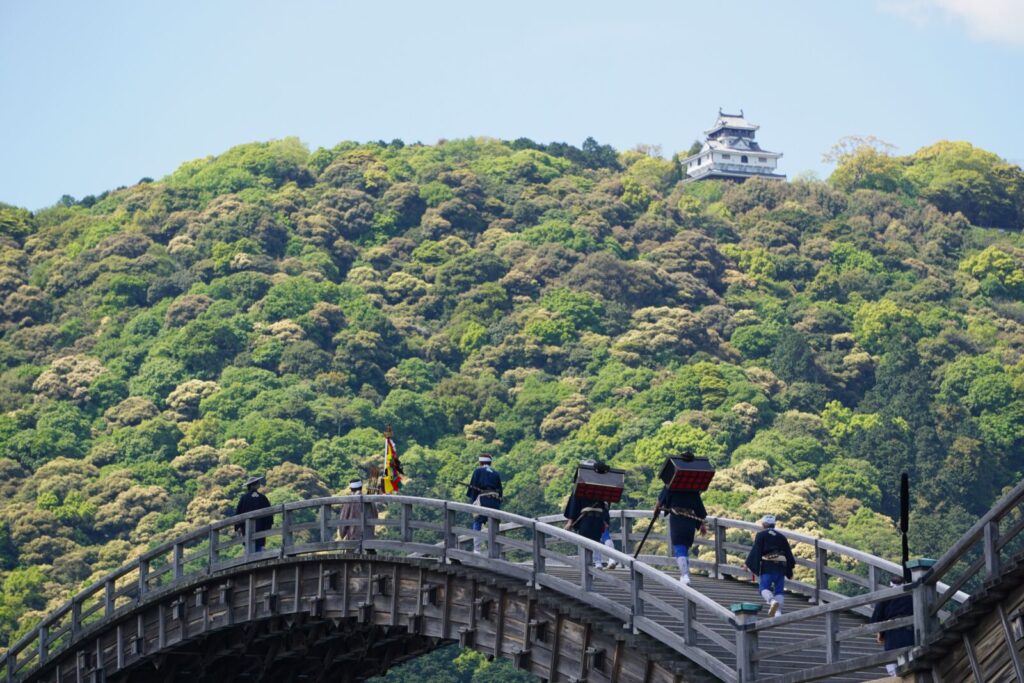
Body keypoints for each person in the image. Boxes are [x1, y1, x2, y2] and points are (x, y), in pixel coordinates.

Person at [657, 470, 708, 585]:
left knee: (679, 547)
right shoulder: (693, 488)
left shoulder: (671, 485)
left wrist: (656, 511)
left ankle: (685, 575)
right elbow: (700, 509)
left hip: (677, 520)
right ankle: (685, 574)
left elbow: (660, 502)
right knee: (684, 547)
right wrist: (701, 525)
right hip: (689, 521)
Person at [564, 461, 613, 569]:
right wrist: (605, 520)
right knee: (598, 540)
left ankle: (593, 568)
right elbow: (605, 505)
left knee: (587, 544)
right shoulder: (602, 485)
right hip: (599, 518)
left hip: (586, 519)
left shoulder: (581, 487)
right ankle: (599, 563)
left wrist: (570, 521)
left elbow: (574, 503)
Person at [745, 515, 796, 617]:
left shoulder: (761, 535)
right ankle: (778, 612)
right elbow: (788, 554)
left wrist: (748, 564)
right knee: (779, 591)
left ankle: (772, 601)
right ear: (774, 524)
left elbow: (756, 551)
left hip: (767, 567)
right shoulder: (782, 537)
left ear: (763, 524)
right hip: (780, 567)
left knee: (763, 588)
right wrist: (789, 569)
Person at [870, 576, 914, 676]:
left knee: (892, 666)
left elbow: (876, 620)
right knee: (909, 663)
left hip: (892, 635)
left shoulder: (886, 597)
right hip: (910, 635)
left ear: (890, 584)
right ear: (905, 583)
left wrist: (880, 634)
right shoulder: (912, 595)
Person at [467, 454, 502, 553]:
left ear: (480, 462)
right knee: (493, 524)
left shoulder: (478, 471)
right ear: (490, 462)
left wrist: (473, 503)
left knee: (477, 522)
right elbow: (500, 492)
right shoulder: (496, 473)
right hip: (495, 501)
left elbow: (473, 488)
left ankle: (477, 549)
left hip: (483, 500)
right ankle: (494, 550)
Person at [235, 475, 272, 552]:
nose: (259, 484)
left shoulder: (244, 498)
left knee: (249, 545)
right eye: (257, 483)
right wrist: (268, 525)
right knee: (260, 544)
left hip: (246, 527)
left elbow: (238, 513)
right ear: (253, 485)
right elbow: (269, 513)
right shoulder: (262, 497)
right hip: (260, 526)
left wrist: (237, 526)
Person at [338, 479, 379, 550]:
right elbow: (375, 516)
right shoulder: (369, 500)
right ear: (361, 487)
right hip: (368, 536)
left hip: (353, 536)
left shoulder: (349, 501)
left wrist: (342, 533)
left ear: (351, 489)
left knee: (350, 555)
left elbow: (343, 520)